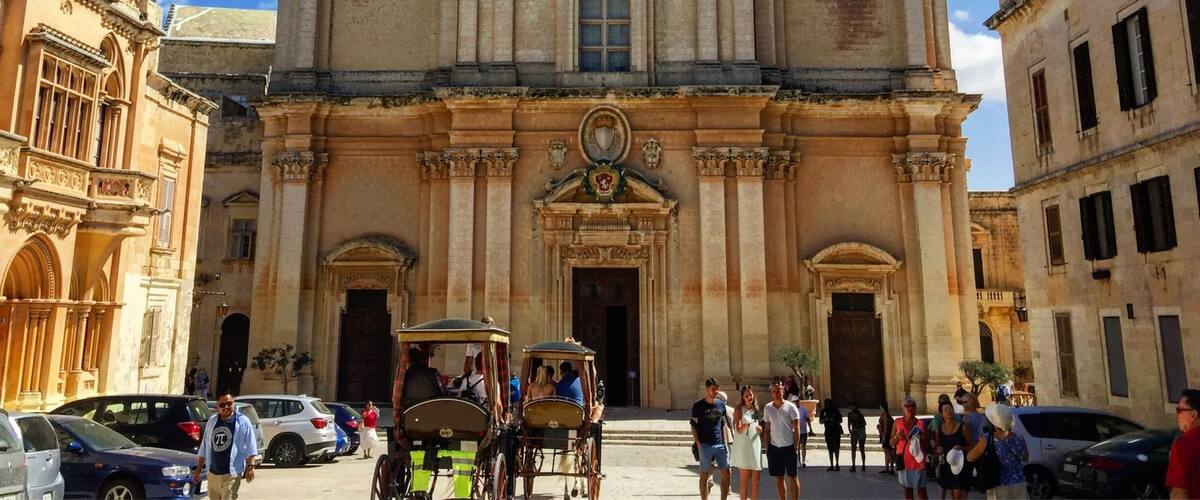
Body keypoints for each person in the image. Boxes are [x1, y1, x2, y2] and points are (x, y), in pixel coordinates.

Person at [195, 392, 257, 500]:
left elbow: (252, 447)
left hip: (231, 474)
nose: (226, 407)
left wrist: (250, 468)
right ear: (217, 407)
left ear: (234, 402)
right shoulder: (212, 421)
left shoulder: (243, 422)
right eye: (222, 405)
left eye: (229, 404)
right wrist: (198, 470)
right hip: (213, 474)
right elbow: (204, 447)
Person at [966, 404, 1028, 500]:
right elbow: (1025, 457)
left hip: (998, 483)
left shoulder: (987, 439)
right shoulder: (1018, 437)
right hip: (1019, 482)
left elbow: (970, 457)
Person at [691, 378, 731, 500]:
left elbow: (723, 424)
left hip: (719, 445)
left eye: (717, 389)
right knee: (704, 474)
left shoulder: (721, 405)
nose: (715, 391)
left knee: (726, 474)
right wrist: (698, 444)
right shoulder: (698, 406)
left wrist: (725, 442)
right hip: (705, 445)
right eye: (713, 389)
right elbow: (693, 425)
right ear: (707, 389)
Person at [762, 381, 801, 500]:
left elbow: (797, 428)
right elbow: (767, 429)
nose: (776, 393)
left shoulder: (791, 407)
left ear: (783, 391)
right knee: (778, 478)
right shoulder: (768, 408)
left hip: (789, 447)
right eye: (774, 392)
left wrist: (795, 447)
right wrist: (768, 447)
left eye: (778, 391)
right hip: (774, 448)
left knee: (793, 478)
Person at [892, 396, 928, 500]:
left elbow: (927, 443)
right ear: (902, 408)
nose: (910, 408)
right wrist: (897, 437)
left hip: (918, 461)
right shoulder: (897, 422)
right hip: (904, 461)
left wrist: (922, 439)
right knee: (908, 492)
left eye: (912, 405)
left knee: (922, 491)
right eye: (907, 406)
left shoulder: (921, 423)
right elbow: (891, 443)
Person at [1167, 389, 1200, 499]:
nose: (1176, 416)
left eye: (1179, 410)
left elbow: (1179, 492)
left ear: (1193, 415)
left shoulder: (1185, 444)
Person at [731, 386, 763, 500]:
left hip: (755, 443)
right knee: (744, 481)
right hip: (745, 446)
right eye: (746, 395)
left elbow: (758, 424)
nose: (748, 397)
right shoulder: (739, 409)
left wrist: (759, 428)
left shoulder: (756, 409)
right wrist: (746, 425)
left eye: (750, 394)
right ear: (742, 397)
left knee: (756, 481)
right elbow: (738, 429)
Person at [934, 401, 970, 500]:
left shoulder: (963, 427)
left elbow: (972, 446)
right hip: (945, 464)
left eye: (950, 408)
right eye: (945, 409)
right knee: (952, 495)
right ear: (941, 414)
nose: (949, 411)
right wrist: (938, 449)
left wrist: (962, 448)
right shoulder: (939, 430)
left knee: (958, 494)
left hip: (960, 464)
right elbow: (937, 447)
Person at [819, 398, 843, 471]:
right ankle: (832, 464)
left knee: (836, 448)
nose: (827, 405)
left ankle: (837, 464)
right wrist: (825, 419)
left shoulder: (835, 411)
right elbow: (821, 421)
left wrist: (834, 421)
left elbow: (840, 420)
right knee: (830, 449)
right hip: (828, 432)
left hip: (836, 431)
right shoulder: (823, 411)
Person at [847, 401, 867, 472]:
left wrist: (854, 429)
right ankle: (854, 465)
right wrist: (850, 431)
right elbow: (848, 423)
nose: (850, 407)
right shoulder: (850, 414)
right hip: (855, 432)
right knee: (854, 449)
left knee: (861, 449)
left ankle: (862, 465)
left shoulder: (859, 414)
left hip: (859, 431)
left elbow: (864, 423)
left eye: (852, 406)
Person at [878, 400, 897, 474]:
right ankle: (887, 468)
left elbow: (886, 427)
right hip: (884, 435)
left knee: (889, 453)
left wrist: (884, 437)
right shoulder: (884, 415)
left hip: (887, 437)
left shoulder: (886, 416)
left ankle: (891, 468)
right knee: (886, 453)